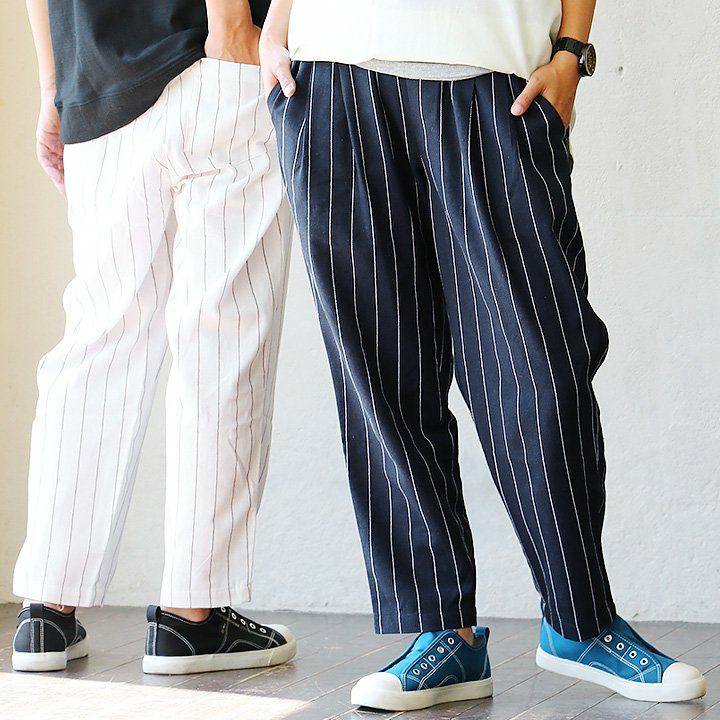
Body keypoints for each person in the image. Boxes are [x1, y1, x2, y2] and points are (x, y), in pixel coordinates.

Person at [259, 0, 707, 710]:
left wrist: (572, 53)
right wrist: (276, 26)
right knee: (384, 376)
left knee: (540, 368)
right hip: (332, 76)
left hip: (495, 78)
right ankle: (444, 633)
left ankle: (580, 621)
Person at [12, 0, 296, 675]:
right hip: (206, 59)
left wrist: (54, 85)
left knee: (97, 342)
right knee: (222, 336)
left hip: (92, 78)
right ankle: (191, 617)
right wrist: (232, 27)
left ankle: (47, 610)